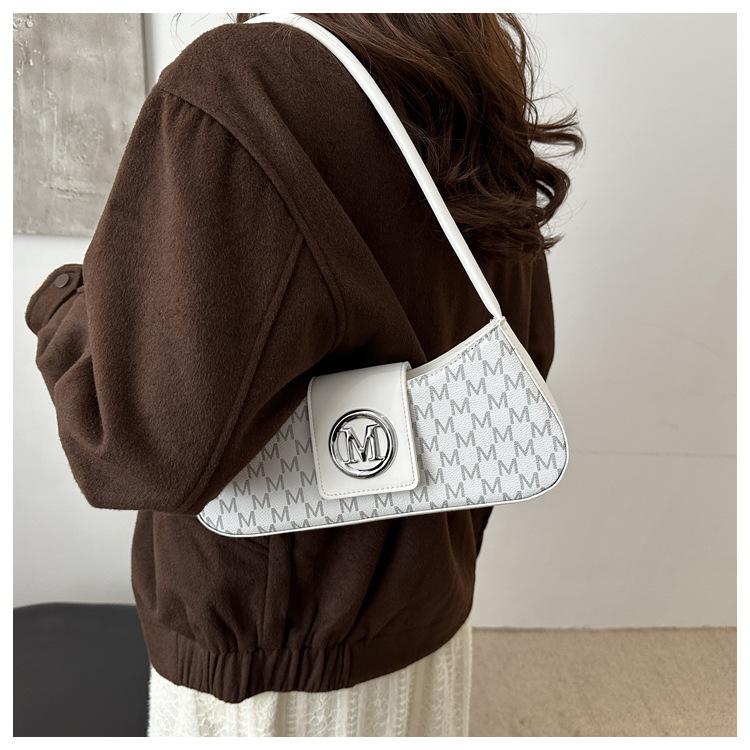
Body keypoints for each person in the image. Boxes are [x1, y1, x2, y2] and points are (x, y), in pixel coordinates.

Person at [25, 12, 581, 737]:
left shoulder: (243, 85)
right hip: (428, 615)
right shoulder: (459, 52)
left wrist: (63, 302)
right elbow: (521, 344)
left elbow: (135, 444)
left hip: (267, 669)